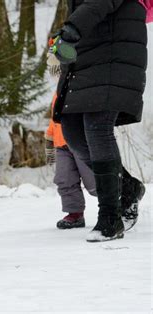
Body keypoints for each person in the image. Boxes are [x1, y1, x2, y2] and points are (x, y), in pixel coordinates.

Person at [50, 0, 147, 242]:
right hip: (86, 60)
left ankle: (110, 219)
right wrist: (64, 41)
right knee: (72, 131)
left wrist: (72, 28)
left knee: (97, 127)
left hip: (115, 56)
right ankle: (127, 187)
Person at [45, 93, 97, 229]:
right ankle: (75, 214)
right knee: (64, 179)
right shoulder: (57, 93)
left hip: (81, 141)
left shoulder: (81, 87)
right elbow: (54, 118)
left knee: (94, 180)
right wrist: (49, 139)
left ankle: (120, 202)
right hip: (61, 145)